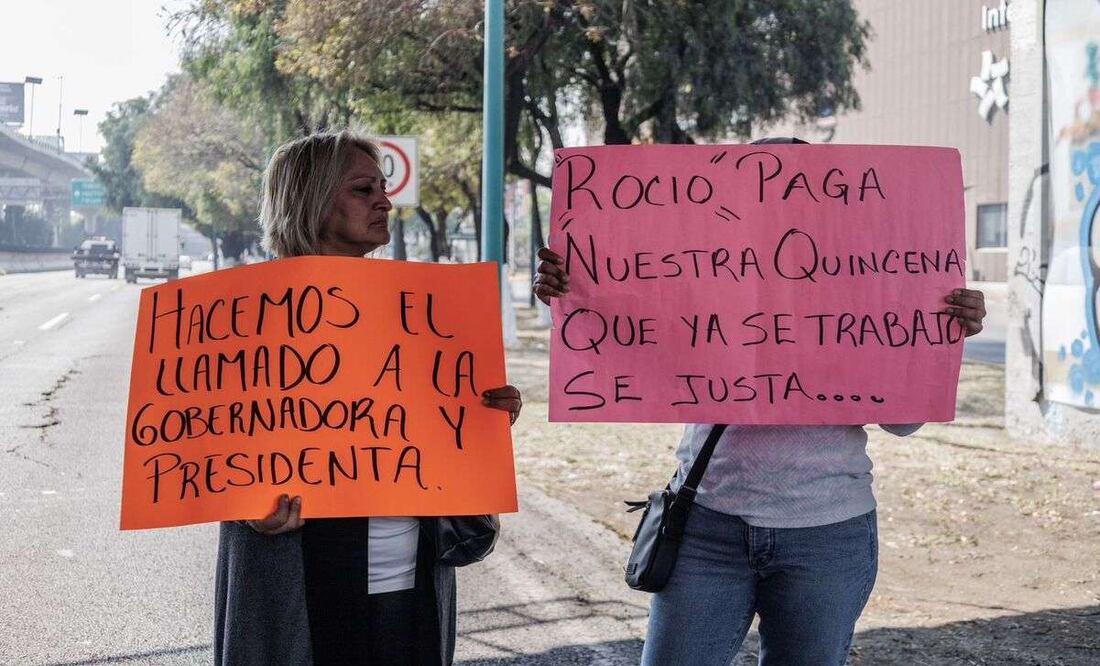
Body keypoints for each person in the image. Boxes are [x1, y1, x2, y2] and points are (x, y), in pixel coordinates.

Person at [533, 137, 987, 666]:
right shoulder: (699, 274)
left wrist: (935, 338)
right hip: (706, 524)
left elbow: (904, 423)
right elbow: (623, 350)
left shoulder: (867, 280)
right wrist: (574, 296)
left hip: (827, 535)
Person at [214, 130, 523, 666]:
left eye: (383, 186)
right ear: (309, 200)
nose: (385, 200)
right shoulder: (252, 311)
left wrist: (482, 418)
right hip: (300, 580)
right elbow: (214, 447)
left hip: (407, 583)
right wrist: (247, 511)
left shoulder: (421, 311)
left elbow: (434, 431)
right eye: (363, 189)